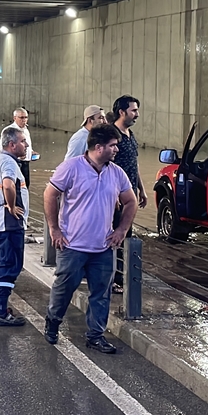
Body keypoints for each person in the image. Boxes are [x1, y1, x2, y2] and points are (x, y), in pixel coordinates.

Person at [41, 125, 138, 353]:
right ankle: (53, 323)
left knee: (101, 295)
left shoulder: (116, 173)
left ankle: (95, 336)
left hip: (103, 247)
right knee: (64, 289)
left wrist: (121, 230)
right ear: (98, 147)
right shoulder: (71, 168)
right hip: (72, 246)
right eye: (113, 145)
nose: (116, 149)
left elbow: (131, 202)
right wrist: (54, 229)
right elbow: (50, 194)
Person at [0, 126, 30, 327]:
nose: (26, 145)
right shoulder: (8, 163)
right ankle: (1, 313)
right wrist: (11, 207)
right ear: (12, 145)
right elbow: (9, 185)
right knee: (10, 266)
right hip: (9, 223)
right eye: (23, 142)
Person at [108, 95, 144, 293]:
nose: (137, 114)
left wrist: (142, 190)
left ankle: (120, 277)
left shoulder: (130, 134)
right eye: (133, 110)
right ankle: (111, 278)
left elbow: (134, 164)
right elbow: (106, 166)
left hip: (130, 195)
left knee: (125, 234)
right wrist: (112, 194)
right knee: (113, 235)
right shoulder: (111, 135)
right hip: (115, 197)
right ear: (122, 112)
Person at [1, 108, 34, 190]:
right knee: (17, 187)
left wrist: (31, 152)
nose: (24, 120)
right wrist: (17, 156)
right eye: (21, 118)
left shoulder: (25, 130)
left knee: (25, 186)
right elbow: (2, 147)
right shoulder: (9, 131)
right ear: (15, 118)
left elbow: (27, 144)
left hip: (26, 163)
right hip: (16, 162)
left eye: (26, 117)